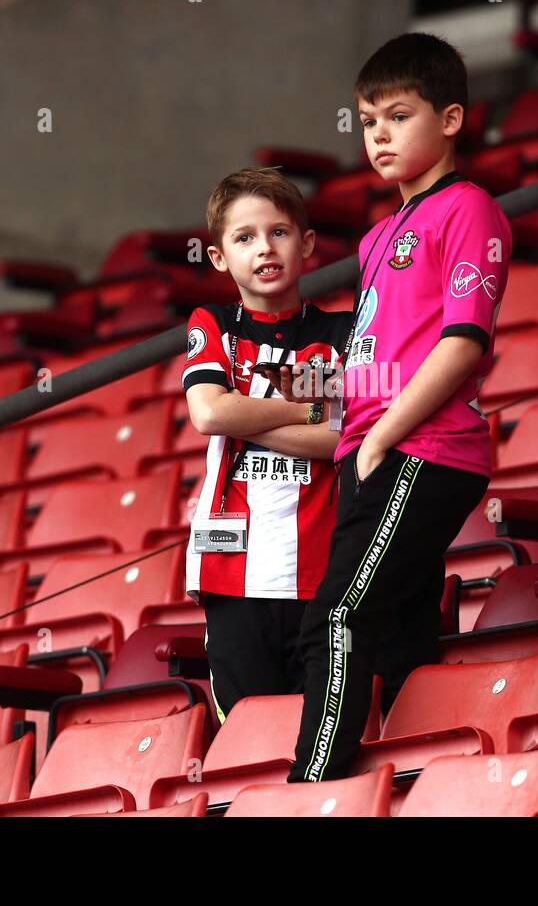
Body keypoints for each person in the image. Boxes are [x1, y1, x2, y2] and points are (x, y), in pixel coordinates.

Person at [283, 32, 513, 782]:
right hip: (373, 448)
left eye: (398, 116)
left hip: (424, 447)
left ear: (449, 120)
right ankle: (416, 789)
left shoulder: (469, 208)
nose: (378, 135)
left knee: (337, 618)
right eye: (367, 121)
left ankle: (309, 787)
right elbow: (377, 350)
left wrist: (382, 433)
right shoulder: (380, 233)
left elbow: (463, 341)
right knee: (394, 638)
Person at [181, 167, 352, 722]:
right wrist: (307, 405)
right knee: (249, 738)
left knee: (318, 738)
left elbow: (345, 435)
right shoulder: (215, 324)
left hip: (322, 573)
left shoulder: (340, 334)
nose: (264, 248)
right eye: (244, 237)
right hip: (229, 570)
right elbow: (208, 412)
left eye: (279, 232)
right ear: (219, 258)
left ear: (305, 244)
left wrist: (243, 413)